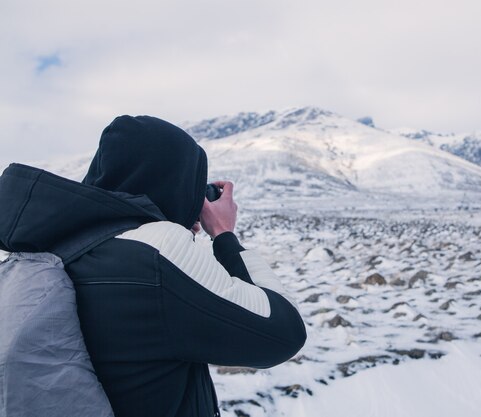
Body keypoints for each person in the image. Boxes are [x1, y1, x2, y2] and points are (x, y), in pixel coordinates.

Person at [0, 115, 307, 417]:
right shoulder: (156, 250)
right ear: (176, 181)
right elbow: (283, 333)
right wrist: (225, 235)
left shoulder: (50, 244)